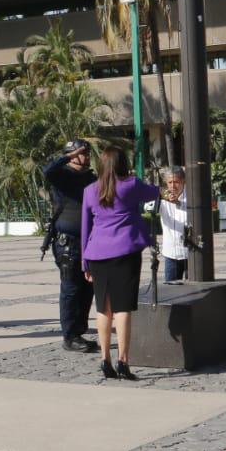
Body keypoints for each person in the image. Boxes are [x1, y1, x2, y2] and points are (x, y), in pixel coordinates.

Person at [81, 147, 156, 380]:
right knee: (123, 308)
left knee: (104, 308)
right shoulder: (131, 185)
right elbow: (154, 192)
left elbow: (85, 227)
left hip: (96, 253)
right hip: (125, 251)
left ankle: (105, 359)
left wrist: (85, 262)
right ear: (123, 163)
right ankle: (124, 361)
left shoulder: (89, 191)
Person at [44, 139, 98, 354]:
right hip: (69, 243)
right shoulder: (63, 175)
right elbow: (48, 171)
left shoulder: (90, 178)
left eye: (87, 153)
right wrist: (69, 155)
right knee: (71, 288)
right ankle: (69, 335)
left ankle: (79, 331)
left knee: (87, 288)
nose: (85, 156)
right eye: (81, 153)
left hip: (91, 241)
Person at [157, 167, 190, 284]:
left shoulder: (191, 196)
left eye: (176, 182)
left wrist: (179, 203)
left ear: (183, 182)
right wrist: (162, 198)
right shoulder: (163, 197)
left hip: (189, 254)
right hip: (171, 254)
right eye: (170, 182)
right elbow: (148, 207)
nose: (173, 186)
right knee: (171, 289)